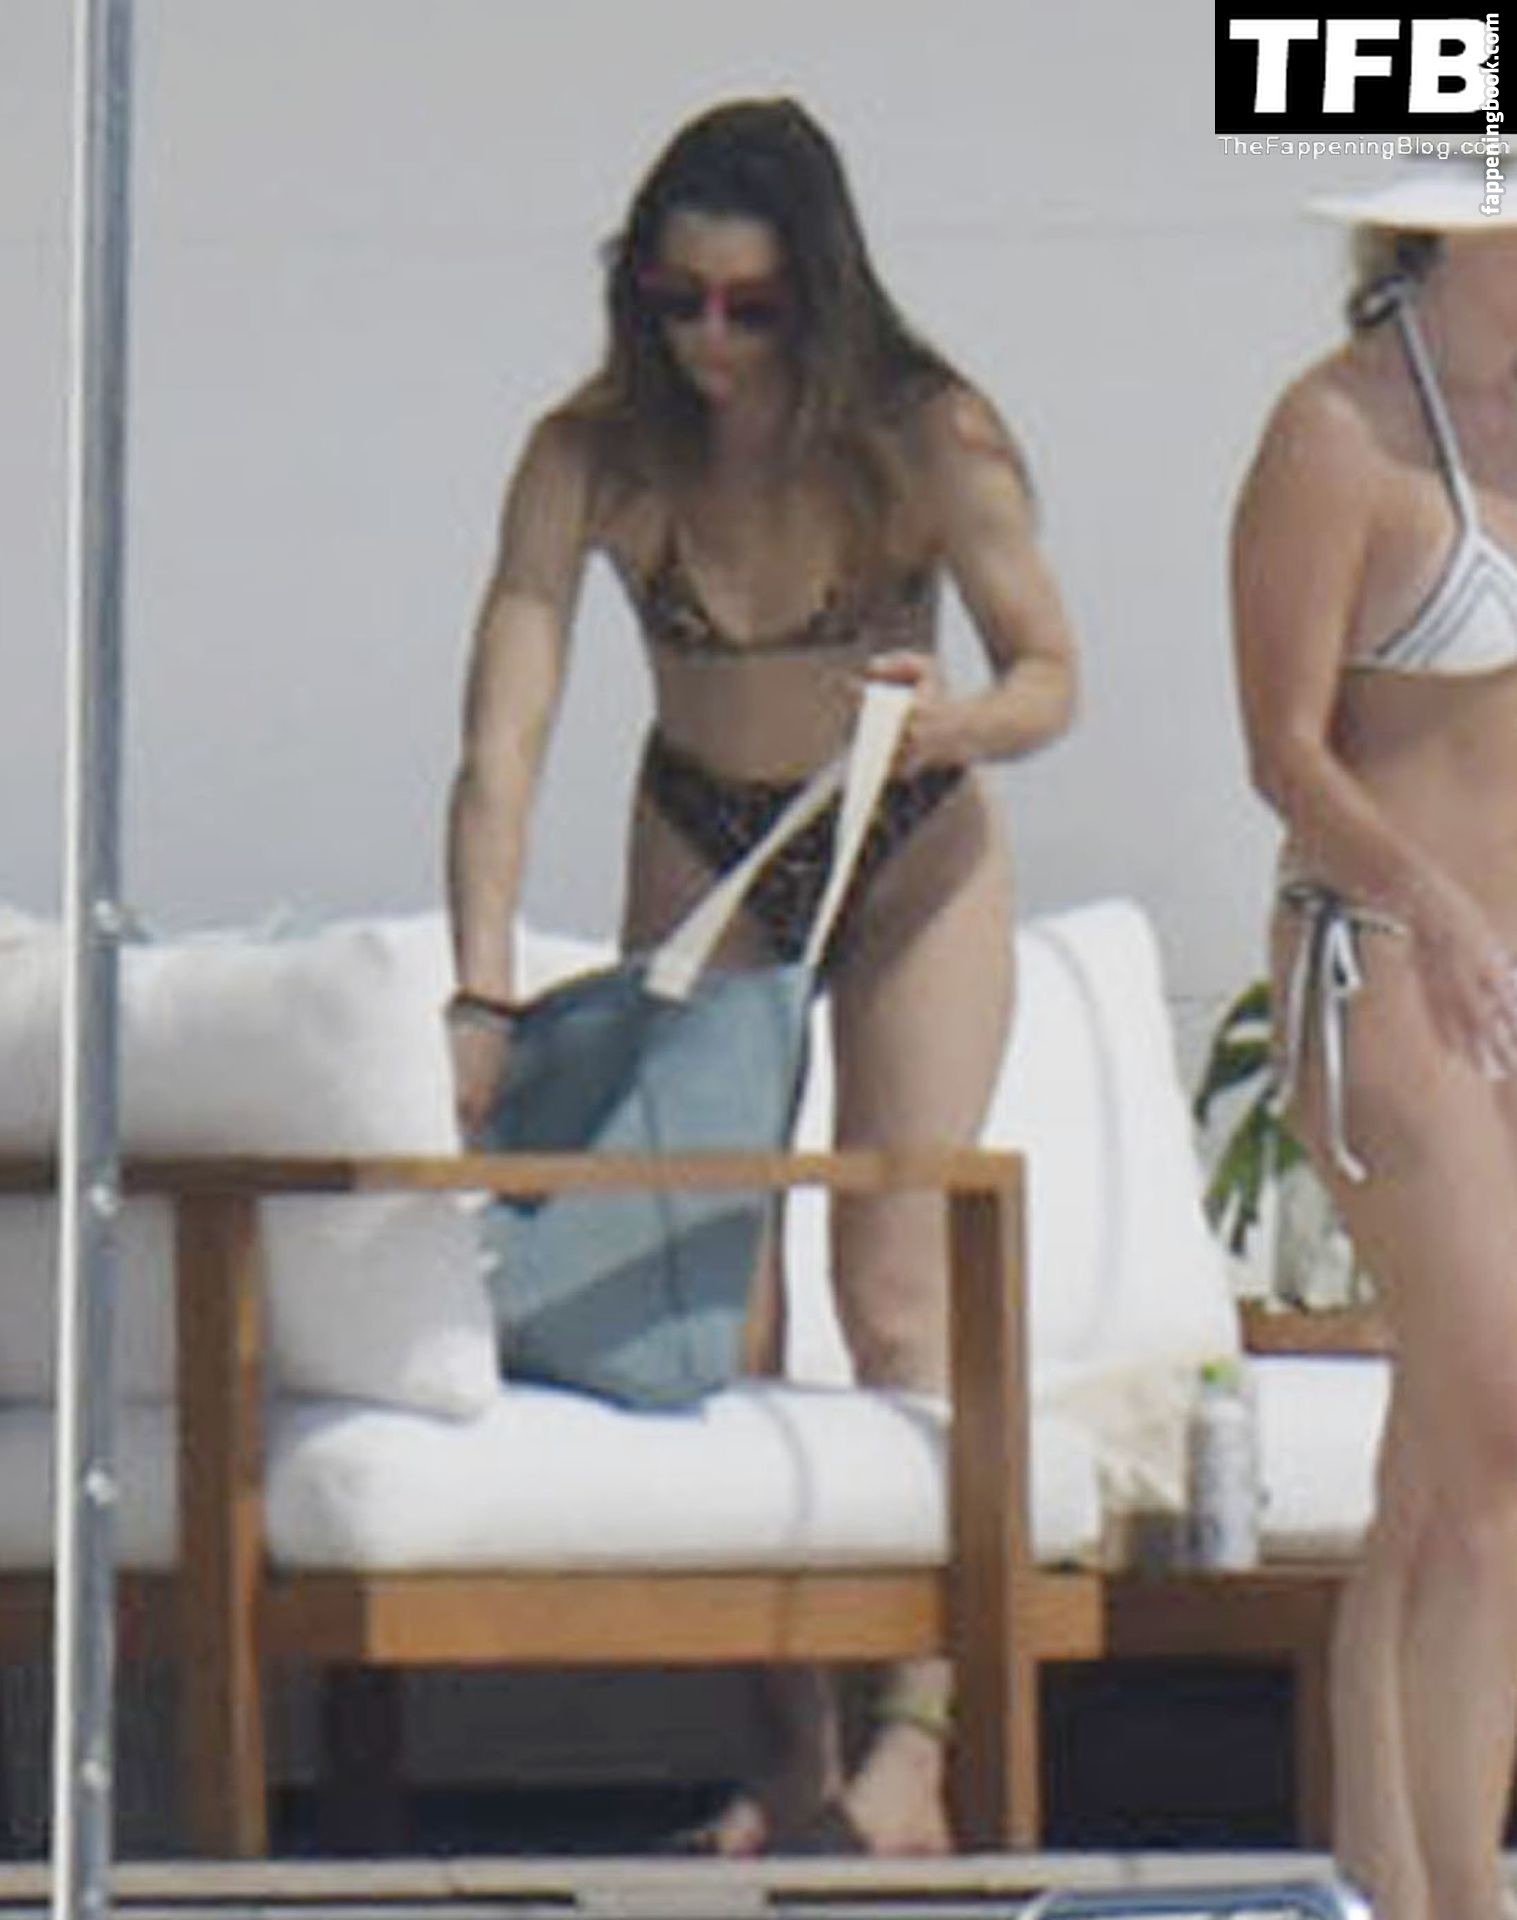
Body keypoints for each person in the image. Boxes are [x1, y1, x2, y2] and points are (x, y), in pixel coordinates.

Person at [444, 96, 1078, 1856]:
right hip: (708, 832)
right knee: (710, 1304)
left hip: (907, 839)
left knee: (897, 1286)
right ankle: (782, 1750)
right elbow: (501, 738)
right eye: (675, 302)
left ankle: (917, 1741)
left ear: (824, 298)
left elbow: (1050, 673)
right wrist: (480, 995)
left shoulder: (926, 435)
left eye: (751, 309)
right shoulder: (593, 455)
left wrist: (955, 722)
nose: (708, 344)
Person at [1232, 154, 1517, 1920]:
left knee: (1438, 1466)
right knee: (1502, 1435)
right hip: (1390, 957)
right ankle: (1468, 1897)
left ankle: (1384, 1880)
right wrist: (1435, 899)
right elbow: (1282, 746)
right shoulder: (1335, 433)